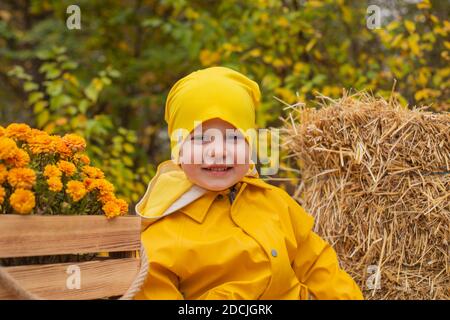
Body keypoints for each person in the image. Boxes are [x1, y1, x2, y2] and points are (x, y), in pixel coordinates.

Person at [134, 66, 363, 300]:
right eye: (201, 139)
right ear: (178, 150)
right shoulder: (160, 237)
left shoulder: (276, 203)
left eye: (234, 137)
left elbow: (318, 264)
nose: (218, 151)